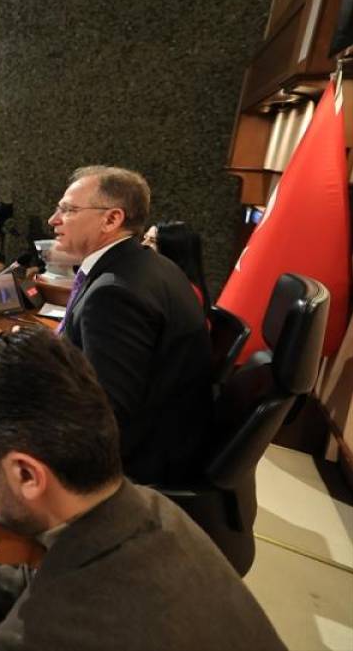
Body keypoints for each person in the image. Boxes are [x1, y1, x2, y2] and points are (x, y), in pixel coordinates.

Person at [0, 328, 286, 651]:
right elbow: (44, 584)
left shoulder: (38, 637)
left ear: (27, 475)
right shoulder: (154, 511)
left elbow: (59, 605)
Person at [48, 166, 211, 486]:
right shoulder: (149, 264)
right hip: (170, 433)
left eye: (68, 210)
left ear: (111, 219)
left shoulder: (114, 293)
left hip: (142, 457)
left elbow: (107, 411)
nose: (53, 219)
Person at [142, 220, 211, 313]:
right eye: (145, 238)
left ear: (172, 251)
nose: (143, 244)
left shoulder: (186, 294)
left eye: (152, 241)